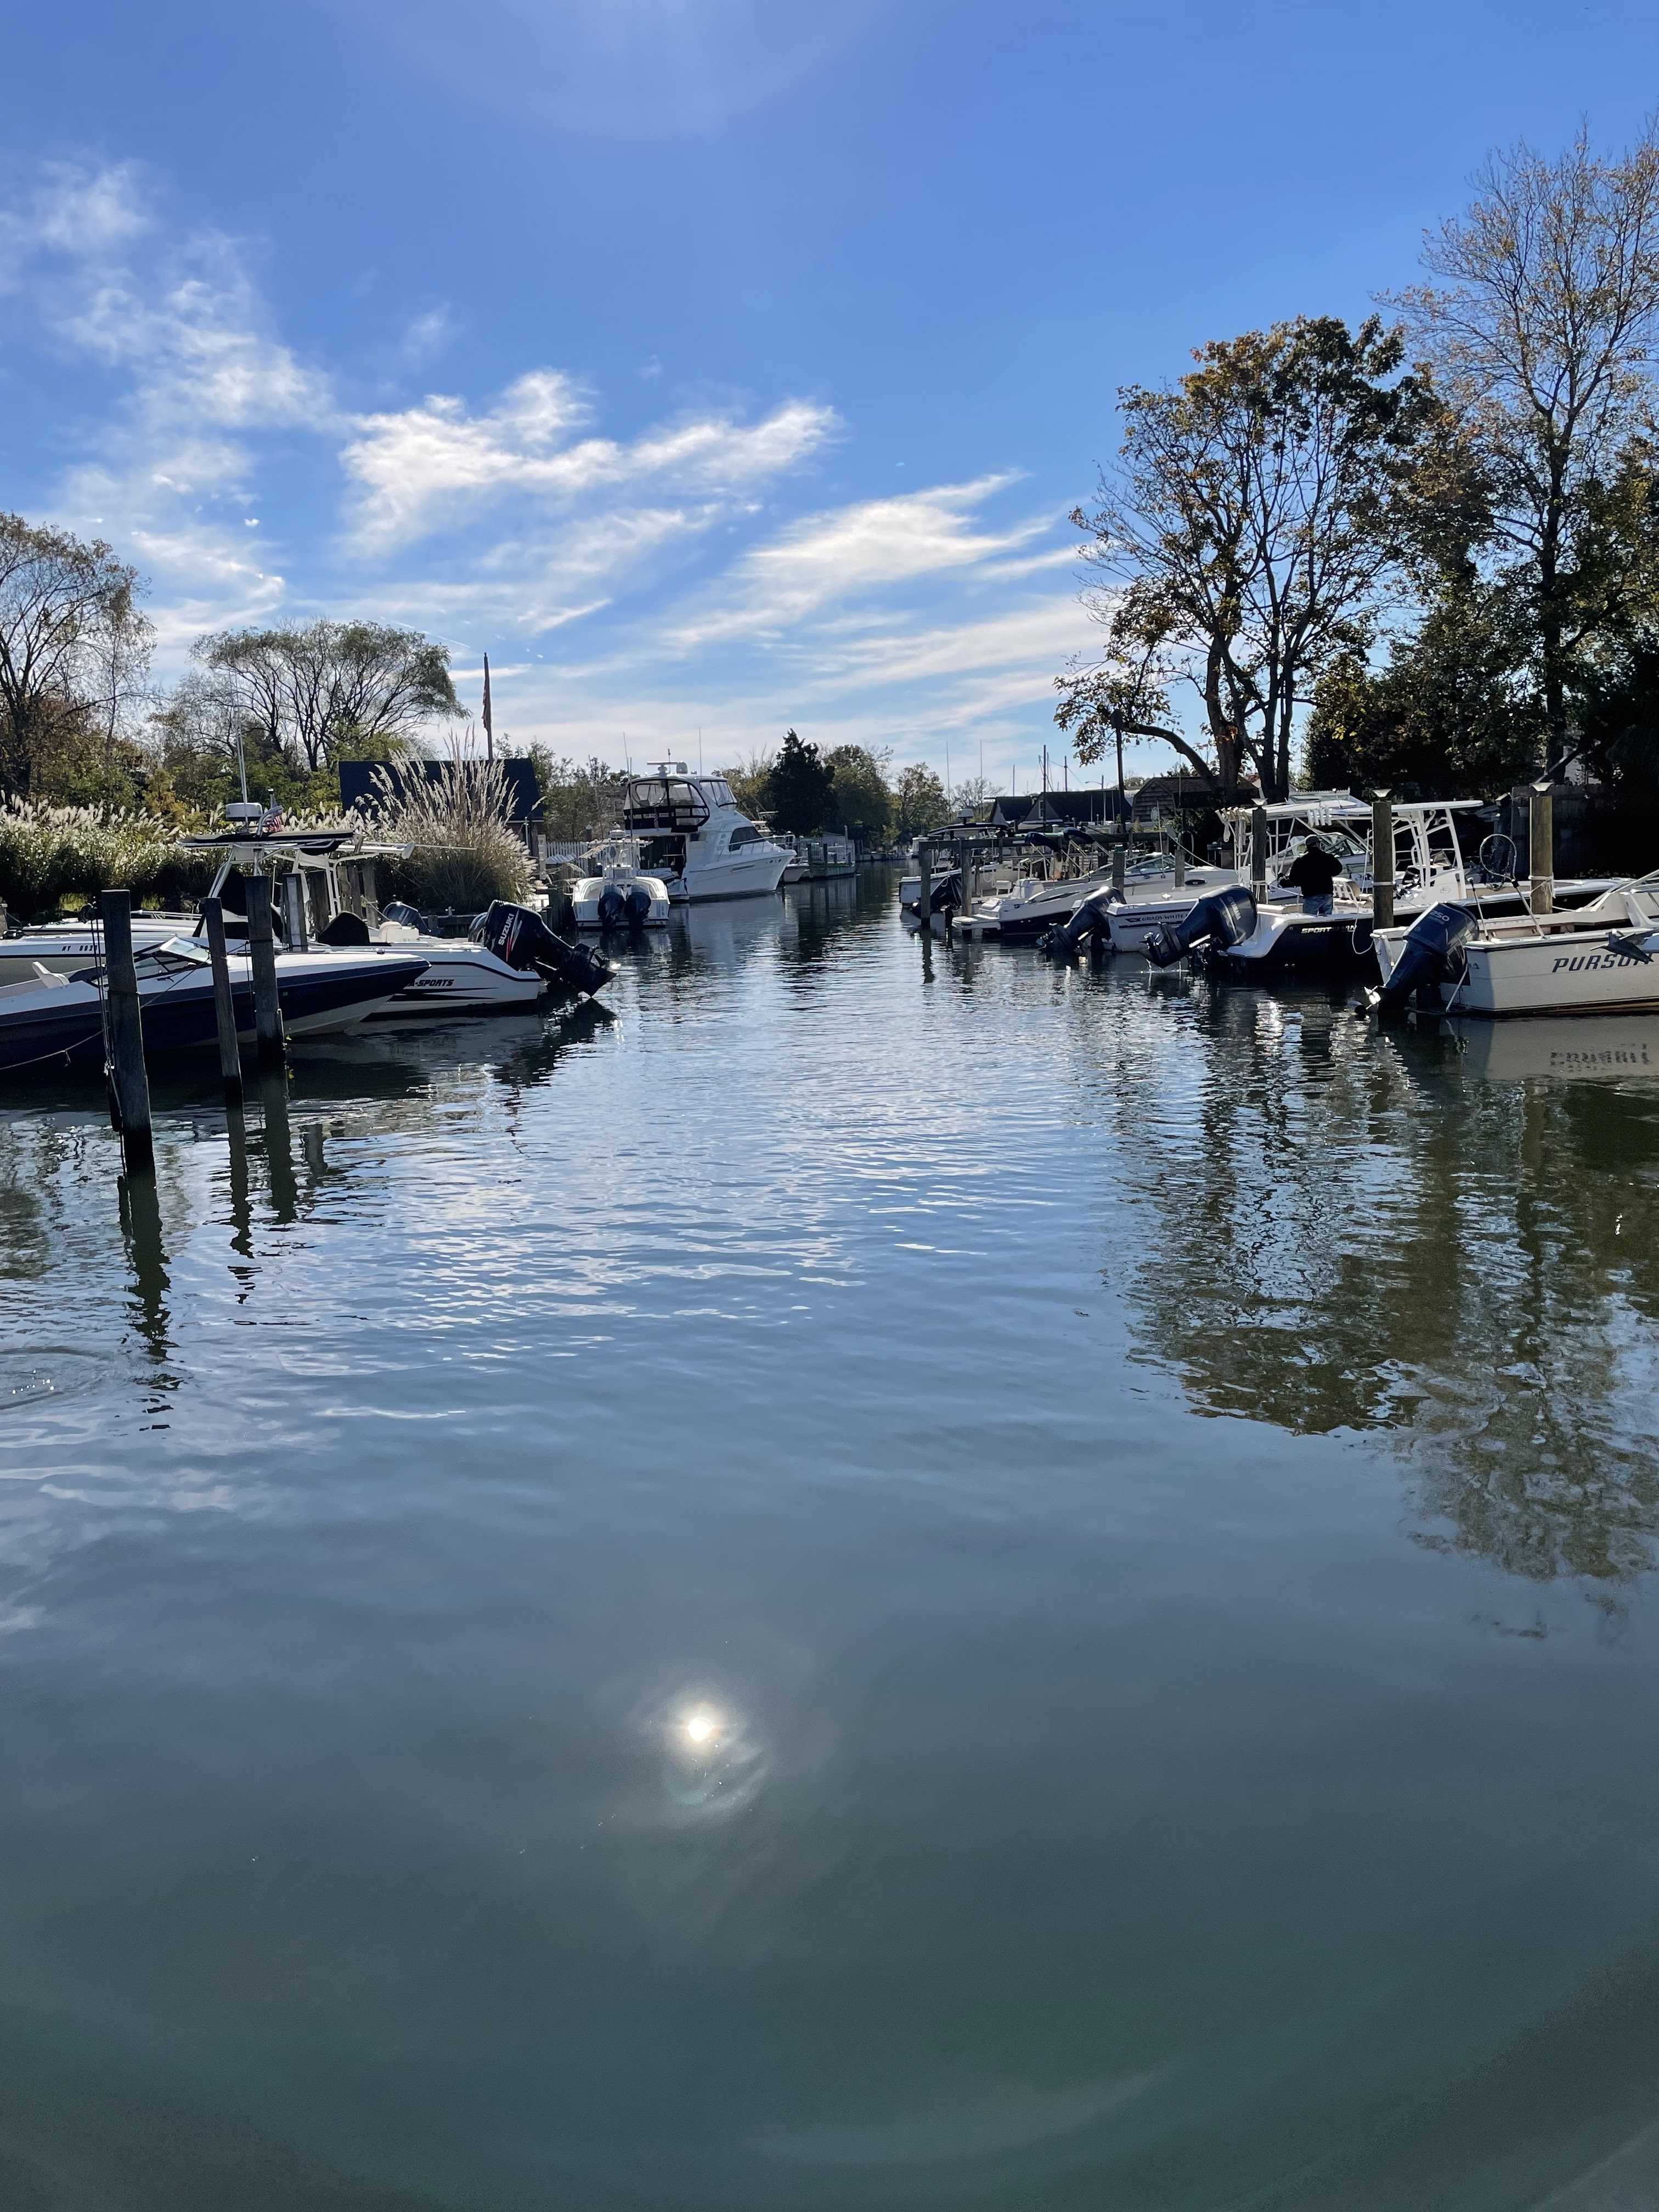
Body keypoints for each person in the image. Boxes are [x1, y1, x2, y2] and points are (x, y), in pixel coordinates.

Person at [1284, 833, 1343, 916]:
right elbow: (1339, 869)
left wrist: (1304, 882)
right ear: (1317, 844)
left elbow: (1294, 880)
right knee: (1326, 919)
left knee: (1309, 919)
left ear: (1307, 847)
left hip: (1310, 895)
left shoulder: (1301, 862)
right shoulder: (1328, 857)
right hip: (1327, 893)